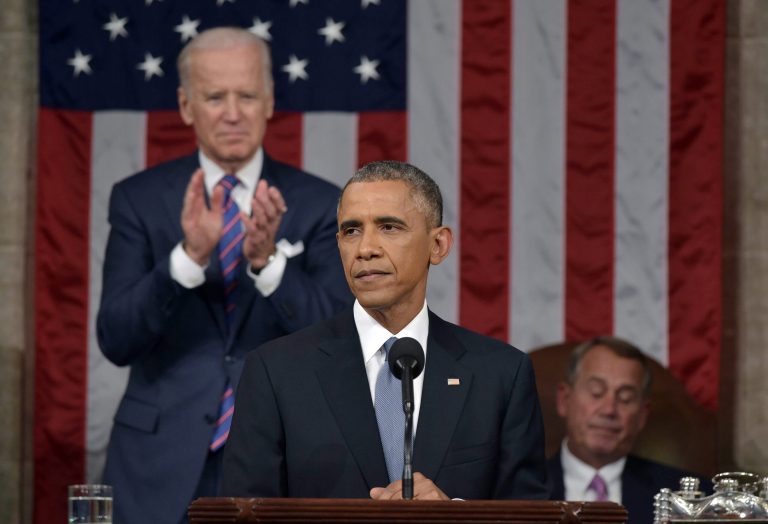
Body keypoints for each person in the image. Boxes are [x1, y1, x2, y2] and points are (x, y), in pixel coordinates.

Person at [96, 27, 352, 524]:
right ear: (187, 105)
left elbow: (343, 341)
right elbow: (116, 338)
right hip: (157, 464)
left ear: (270, 100)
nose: (233, 113)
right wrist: (187, 258)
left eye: (247, 95)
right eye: (215, 97)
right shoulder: (138, 199)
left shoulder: (322, 203)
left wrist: (269, 263)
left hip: (282, 460)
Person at [221, 160, 549, 501]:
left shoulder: (501, 375)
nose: (365, 249)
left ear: (437, 245)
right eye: (351, 231)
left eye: (389, 227)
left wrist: (455, 516)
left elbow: (529, 512)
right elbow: (243, 512)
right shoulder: (276, 372)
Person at [547, 336, 712, 524]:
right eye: (596, 392)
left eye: (625, 398)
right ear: (564, 400)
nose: (609, 409)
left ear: (642, 415)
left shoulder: (692, 500)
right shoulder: (516, 489)